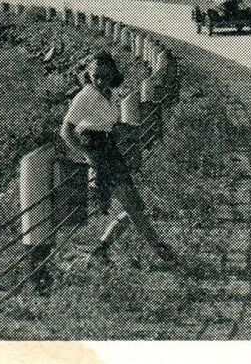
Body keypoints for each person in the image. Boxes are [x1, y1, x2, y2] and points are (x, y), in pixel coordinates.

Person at [59, 50, 175, 263]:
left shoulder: (110, 94)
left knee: (136, 205)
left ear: (113, 73)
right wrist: (88, 157)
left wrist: (130, 131)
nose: (101, 80)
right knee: (133, 205)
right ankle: (160, 250)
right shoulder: (85, 96)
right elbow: (66, 131)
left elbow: (109, 125)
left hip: (110, 149)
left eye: (106, 75)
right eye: (96, 76)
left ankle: (101, 250)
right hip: (97, 151)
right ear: (89, 74)